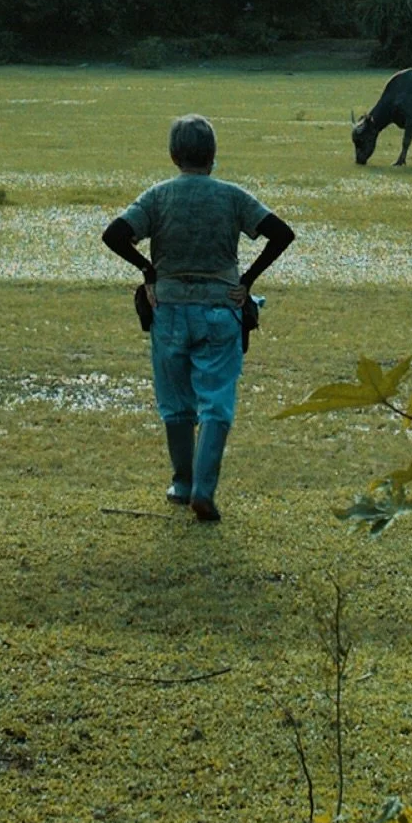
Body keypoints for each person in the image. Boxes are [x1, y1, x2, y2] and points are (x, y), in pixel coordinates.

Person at [101, 114, 294, 522]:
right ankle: (204, 491)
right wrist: (246, 279)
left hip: (168, 310)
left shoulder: (157, 197)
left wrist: (149, 270)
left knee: (175, 403)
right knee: (216, 402)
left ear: (174, 155)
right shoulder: (232, 196)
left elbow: (114, 234)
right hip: (221, 309)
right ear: (213, 154)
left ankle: (181, 482)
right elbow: (281, 233)